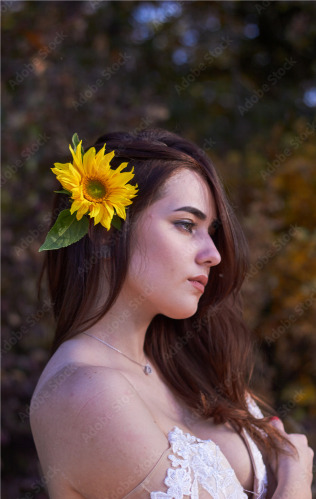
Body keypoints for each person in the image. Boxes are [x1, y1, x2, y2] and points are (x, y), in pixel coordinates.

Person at [30, 128, 313, 499]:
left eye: (210, 231)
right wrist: (296, 474)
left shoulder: (188, 366)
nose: (213, 254)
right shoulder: (83, 392)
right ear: (104, 228)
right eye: (185, 224)